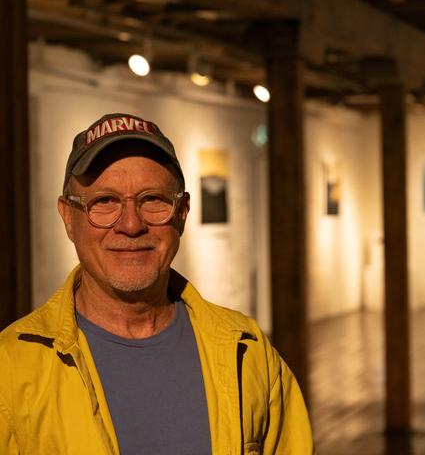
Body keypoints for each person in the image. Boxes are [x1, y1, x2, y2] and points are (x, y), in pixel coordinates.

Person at [0, 113, 313, 454]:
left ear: (182, 212)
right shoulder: (12, 368)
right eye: (104, 201)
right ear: (68, 218)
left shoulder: (248, 352)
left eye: (153, 200)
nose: (131, 225)